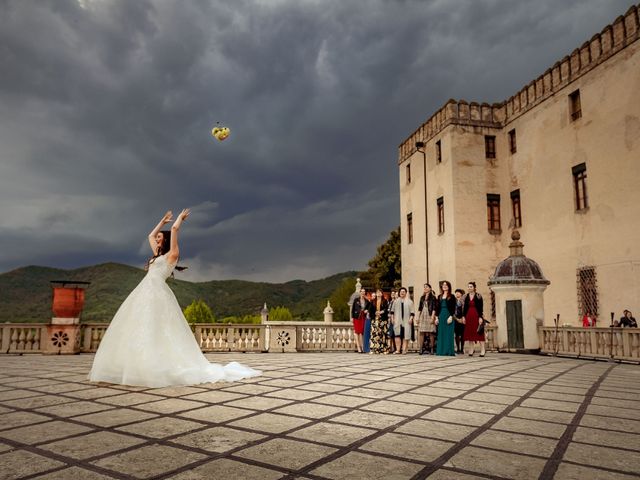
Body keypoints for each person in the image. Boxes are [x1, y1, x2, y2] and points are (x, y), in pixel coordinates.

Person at [89, 210, 261, 387]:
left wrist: (178, 220)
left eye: (159, 238)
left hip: (157, 292)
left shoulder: (172, 255)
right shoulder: (157, 254)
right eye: (157, 239)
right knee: (141, 325)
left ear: (165, 240)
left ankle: (158, 366)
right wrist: (161, 222)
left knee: (158, 326)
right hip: (144, 291)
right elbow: (150, 235)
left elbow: (175, 229)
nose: (156, 240)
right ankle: (141, 365)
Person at [462, 281, 486, 357]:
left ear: (474, 288)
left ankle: (482, 350)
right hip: (468, 316)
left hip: (476, 315)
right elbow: (464, 308)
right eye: (468, 287)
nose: (469, 288)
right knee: (470, 332)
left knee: (479, 332)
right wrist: (463, 316)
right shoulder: (466, 296)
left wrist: (480, 317)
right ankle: (471, 349)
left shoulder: (478, 296)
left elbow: (481, 308)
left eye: (471, 287)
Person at [390, 287, 414, 354]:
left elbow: (412, 312)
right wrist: (392, 318)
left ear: (406, 293)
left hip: (406, 321)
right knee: (397, 335)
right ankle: (398, 350)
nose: (402, 293)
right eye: (401, 291)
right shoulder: (395, 301)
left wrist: (411, 319)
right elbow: (392, 311)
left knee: (405, 336)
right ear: (399, 293)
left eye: (403, 291)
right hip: (397, 321)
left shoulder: (410, 302)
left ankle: (404, 350)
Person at [435, 281, 456, 356]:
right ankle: (441, 351)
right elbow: (437, 308)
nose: (444, 286)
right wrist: (436, 318)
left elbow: (454, 307)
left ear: (449, 286)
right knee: (441, 333)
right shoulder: (439, 296)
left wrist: (451, 316)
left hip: (448, 315)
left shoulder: (452, 296)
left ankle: (449, 351)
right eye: (443, 285)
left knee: (449, 334)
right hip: (441, 315)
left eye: (446, 285)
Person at [417, 283, 437, 355]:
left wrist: (432, 317)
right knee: (421, 331)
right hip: (423, 314)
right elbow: (419, 308)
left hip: (430, 314)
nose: (425, 288)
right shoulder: (422, 297)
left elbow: (434, 308)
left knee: (431, 331)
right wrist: (418, 317)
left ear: (430, 288)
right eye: (424, 287)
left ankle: (431, 348)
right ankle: (421, 348)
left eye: (427, 287)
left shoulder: (433, 297)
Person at [351, 287, 371, 353]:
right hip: (357, 317)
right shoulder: (356, 300)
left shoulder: (367, 301)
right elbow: (353, 309)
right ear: (360, 293)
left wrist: (367, 310)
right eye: (361, 291)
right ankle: (359, 348)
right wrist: (352, 317)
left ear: (365, 293)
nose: (363, 292)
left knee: (362, 332)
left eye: (364, 291)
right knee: (357, 332)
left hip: (363, 317)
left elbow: (369, 309)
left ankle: (363, 347)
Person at [370, 289, 390, 354]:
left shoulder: (385, 301)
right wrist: (375, 313)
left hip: (383, 319)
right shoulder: (372, 301)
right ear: (376, 294)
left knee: (383, 334)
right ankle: (374, 349)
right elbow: (370, 310)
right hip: (375, 319)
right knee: (374, 334)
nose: (378, 293)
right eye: (377, 292)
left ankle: (384, 349)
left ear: (382, 293)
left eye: (380, 292)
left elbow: (387, 309)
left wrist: (382, 312)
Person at [453, 288, 466, 354]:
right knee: (457, 335)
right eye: (456, 292)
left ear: (461, 294)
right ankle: (458, 348)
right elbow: (452, 311)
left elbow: (465, 310)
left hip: (463, 319)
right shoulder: (453, 301)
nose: (457, 294)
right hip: (456, 319)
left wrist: (462, 318)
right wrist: (457, 319)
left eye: (458, 292)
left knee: (463, 335)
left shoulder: (464, 301)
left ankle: (462, 348)